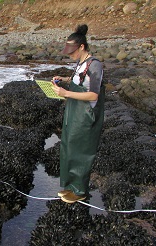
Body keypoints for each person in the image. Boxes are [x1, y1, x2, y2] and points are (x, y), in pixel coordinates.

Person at [52, 24, 105, 203]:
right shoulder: (80, 62)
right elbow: (79, 79)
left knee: (82, 151)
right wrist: (64, 79)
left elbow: (93, 94)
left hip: (86, 114)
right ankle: (70, 186)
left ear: (81, 47)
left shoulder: (95, 65)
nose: (70, 54)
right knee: (69, 146)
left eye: (72, 51)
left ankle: (80, 190)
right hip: (74, 111)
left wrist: (65, 93)